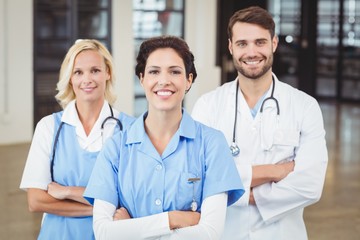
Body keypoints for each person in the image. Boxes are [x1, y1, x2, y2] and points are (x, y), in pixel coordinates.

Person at [83, 35, 245, 239]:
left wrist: (131, 228)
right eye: (154, 72)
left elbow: (210, 233)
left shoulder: (212, 143)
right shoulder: (116, 148)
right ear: (142, 79)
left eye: (175, 71)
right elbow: (104, 232)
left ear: (189, 80)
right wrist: (174, 219)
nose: (164, 81)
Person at [191, 6, 328, 240]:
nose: (252, 52)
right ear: (231, 47)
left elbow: (310, 185)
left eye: (260, 42)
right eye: (242, 43)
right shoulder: (208, 106)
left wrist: (230, 189)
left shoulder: (304, 106)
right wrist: (274, 171)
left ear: (274, 43)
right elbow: (196, 179)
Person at [19, 39, 134, 239]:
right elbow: (36, 200)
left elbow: (130, 200)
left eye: (95, 70)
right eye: (78, 72)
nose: (87, 79)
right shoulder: (49, 127)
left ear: (108, 73)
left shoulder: (130, 130)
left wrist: (67, 192)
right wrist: (101, 209)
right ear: (70, 78)